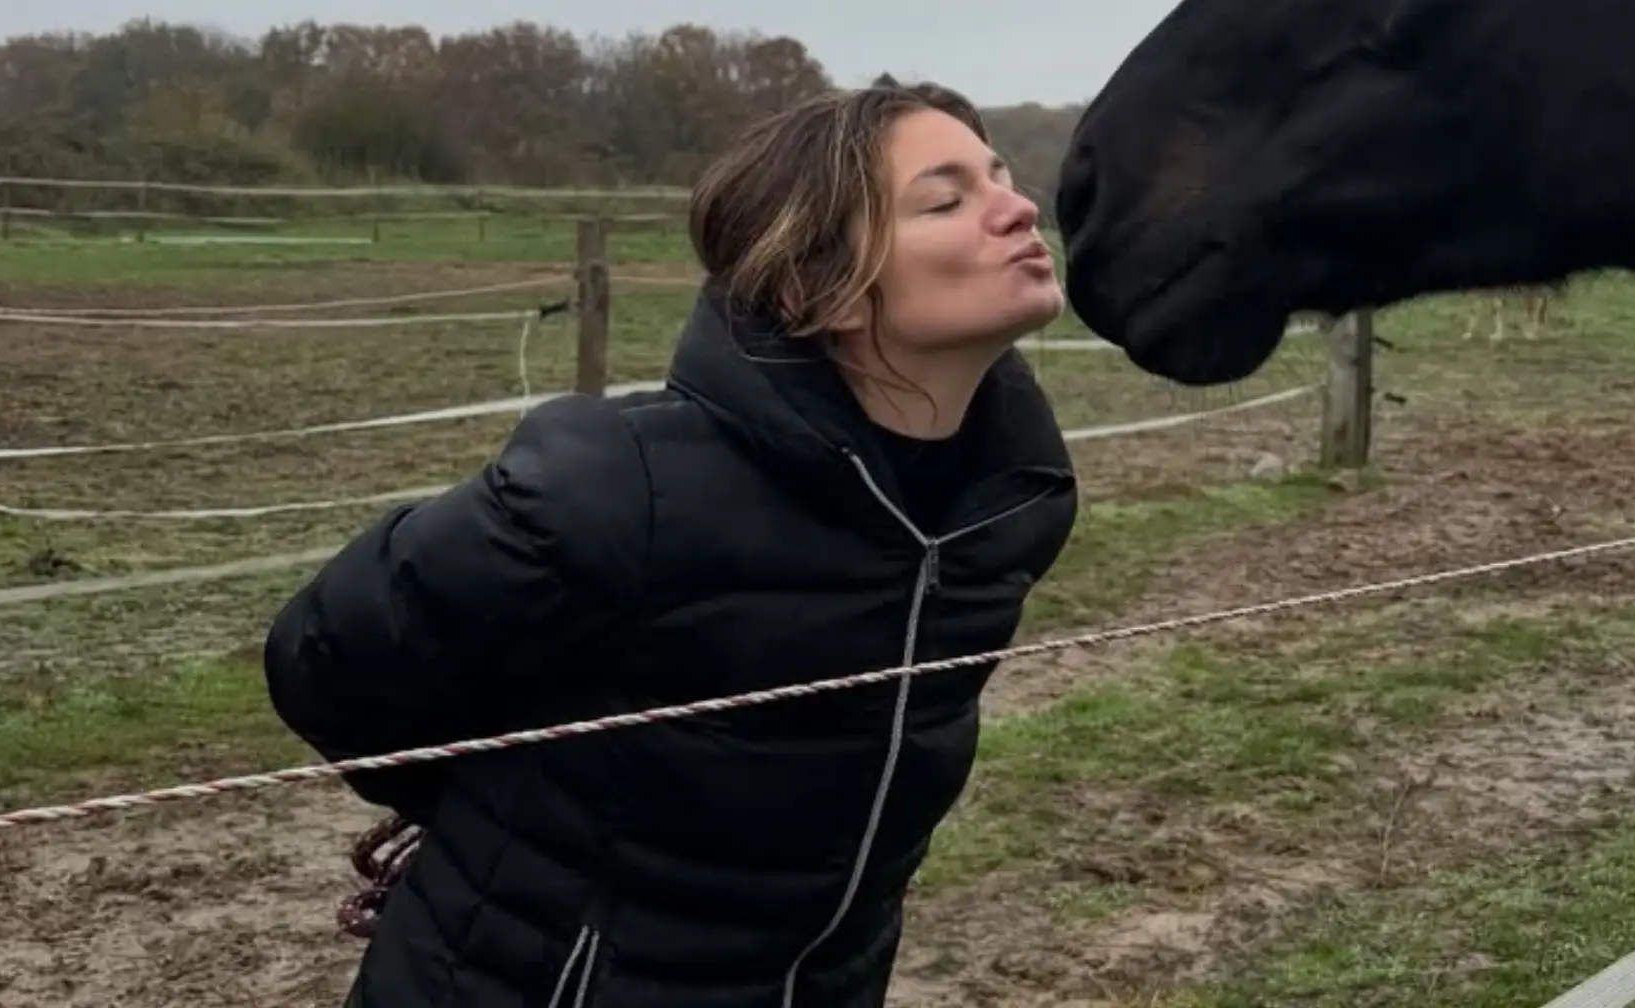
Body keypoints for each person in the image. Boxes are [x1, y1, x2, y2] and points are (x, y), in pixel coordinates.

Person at [262, 80, 1079, 1008]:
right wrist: (495, 811)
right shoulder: (616, 485)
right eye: (947, 200)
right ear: (820, 288)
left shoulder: (1011, 505)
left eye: (1002, 177)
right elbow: (324, 659)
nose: (1019, 208)